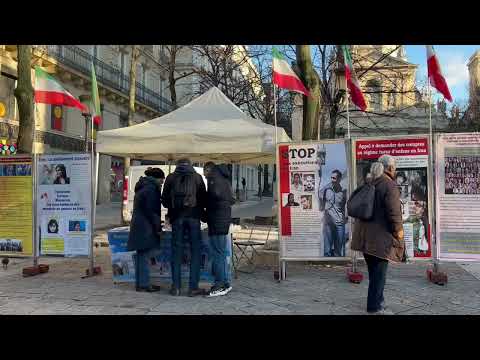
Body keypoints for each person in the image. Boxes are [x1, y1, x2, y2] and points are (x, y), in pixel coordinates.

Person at [351, 155, 405, 315]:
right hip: (380, 239)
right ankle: (374, 308)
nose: (395, 170)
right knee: (379, 276)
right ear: (389, 168)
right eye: (394, 167)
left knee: (374, 274)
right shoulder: (389, 185)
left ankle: (376, 302)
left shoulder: (369, 181)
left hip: (364, 237)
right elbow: (394, 214)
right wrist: (399, 234)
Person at [162, 158, 207, 297]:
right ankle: (193, 287)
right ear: (191, 165)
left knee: (176, 252)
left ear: (177, 165)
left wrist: (173, 209)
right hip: (194, 218)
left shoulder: (171, 177)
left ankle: (176, 287)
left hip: (177, 219)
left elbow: (164, 200)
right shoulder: (197, 177)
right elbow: (204, 199)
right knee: (195, 252)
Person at [127, 167, 165, 292]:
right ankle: (144, 284)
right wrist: (158, 227)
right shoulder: (151, 189)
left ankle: (141, 283)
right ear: (157, 178)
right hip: (145, 226)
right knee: (145, 255)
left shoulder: (143, 186)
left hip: (139, 224)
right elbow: (152, 211)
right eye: (162, 180)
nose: (162, 183)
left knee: (141, 255)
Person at [203, 162, 235, 297]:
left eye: (205, 172)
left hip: (217, 222)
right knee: (221, 253)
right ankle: (225, 282)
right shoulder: (224, 179)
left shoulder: (213, 179)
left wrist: (206, 210)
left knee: (218, 254)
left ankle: (220, 284)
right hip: (223, 221)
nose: (204, 175)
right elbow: (231, 199)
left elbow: (214, 197)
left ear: (208, 170)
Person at [319, 169, 347, 257]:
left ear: (339, 179)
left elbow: (346, 205)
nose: (332, 180)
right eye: (331, 178)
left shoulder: (344, 191)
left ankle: (337, 264)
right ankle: (327, 263)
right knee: (327, 248)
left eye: (334, 178)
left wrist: (345, 217)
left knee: (339, 248)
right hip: (328, 222)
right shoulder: (326, 189)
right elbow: (320, 200)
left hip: (339, 223)